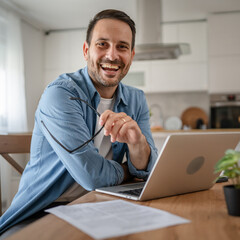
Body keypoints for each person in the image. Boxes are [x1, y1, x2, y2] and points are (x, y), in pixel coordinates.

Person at [0, 9, 158, 237]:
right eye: (102, 44)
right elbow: (91, 175)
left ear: (131, 55)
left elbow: (147, 170)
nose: (112, 55)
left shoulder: (136, 99)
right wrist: (126, 171)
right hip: (42, 213)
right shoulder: (60, 94)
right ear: (86, 50)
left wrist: (137, 144)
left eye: (122, 47)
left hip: (102, 204)